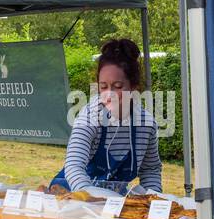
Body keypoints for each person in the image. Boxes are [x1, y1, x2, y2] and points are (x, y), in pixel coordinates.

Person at [51, 38, 163, 194]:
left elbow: (150, 170)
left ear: (133, 88)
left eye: (117, 86)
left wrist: (153, 201)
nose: (109, 95)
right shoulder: (90, 116)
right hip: (70, 195)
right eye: (103, 87)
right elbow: (73, 165)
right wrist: (89, 198)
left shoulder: (146, 125)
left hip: (112, 203)